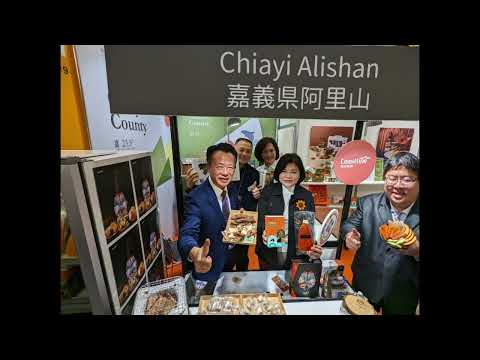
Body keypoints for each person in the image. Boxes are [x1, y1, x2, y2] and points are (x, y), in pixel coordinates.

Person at [340, 152, 420, 315]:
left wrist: (418, 251)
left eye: (406, 179)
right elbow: (348, 225)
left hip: (406, 292)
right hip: (366, 284)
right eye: (392, 178)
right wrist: (349, 236)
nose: (397, 185)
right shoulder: (367, 203)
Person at [178, 143, 240, 282]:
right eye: (220, 167)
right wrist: (195, 253)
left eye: (230, 168)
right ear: (209, 166)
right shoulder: (196, 197)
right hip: (208, 266)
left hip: (231, 263)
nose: (225, 172)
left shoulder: (233, 189)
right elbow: (187, 234)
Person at [255, 153, 323, 270]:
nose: (288, 176)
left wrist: (311, 246)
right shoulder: (268, 191)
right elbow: (261, 220)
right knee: (270, 280)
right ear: (278, 172)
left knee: (290, 281)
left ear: (300, 174)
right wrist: (263, 232)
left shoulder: (306, 196)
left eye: (293, 172)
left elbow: (308, 227)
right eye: (284, 171)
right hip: (269, 247)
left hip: (294, 249)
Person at [223, 137, 261, 271]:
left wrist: (257, 196)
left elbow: (255, 196)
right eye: (241, 150)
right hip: (225, 217)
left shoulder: (254, 173)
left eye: (248, 151)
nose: (245, 154)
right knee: (226, 256)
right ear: (234, 150)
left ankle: (242, 286)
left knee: (242, 256)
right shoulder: (225, 170)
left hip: (245, 217)